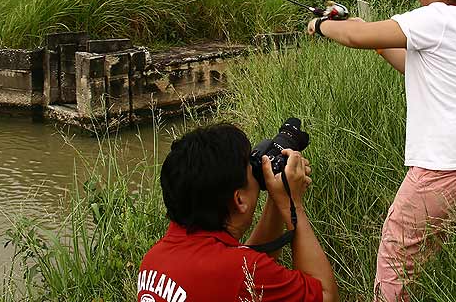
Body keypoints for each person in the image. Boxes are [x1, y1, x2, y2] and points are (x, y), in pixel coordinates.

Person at [307, 0, 456, 302]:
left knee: (397, 247)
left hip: (452, 163)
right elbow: (410, 65)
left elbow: (355, 37)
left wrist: (323, 27)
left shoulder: (438, 16)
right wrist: (363, 29)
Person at [137, 123, 338, 302]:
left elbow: (238, 266)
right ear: (239, 200)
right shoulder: (237, 272)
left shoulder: (153, 261)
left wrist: (277, 199)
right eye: (252, 169)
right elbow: (325, 295)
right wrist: (292, 203)